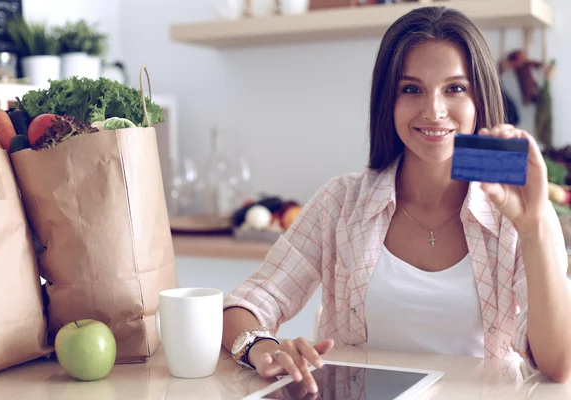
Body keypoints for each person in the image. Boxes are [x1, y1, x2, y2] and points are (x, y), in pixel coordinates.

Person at [222, 5, 571, 394]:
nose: (434, 110)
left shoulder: (520, 210)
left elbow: (558, 365)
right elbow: (243, 306)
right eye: (411, 89)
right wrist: (263, 348)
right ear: (388, 100)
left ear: (479, 99)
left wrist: (534, 225)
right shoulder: (340, 202)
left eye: (455, 88)